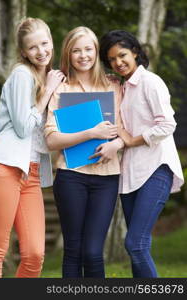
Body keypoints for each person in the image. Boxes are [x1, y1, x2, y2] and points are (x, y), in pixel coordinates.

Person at [99, 30, 184, 278]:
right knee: (139, 246)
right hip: (131, 175)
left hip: (156, 168)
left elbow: (167, 124)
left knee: (134, 243)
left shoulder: (150, 82)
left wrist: (132, 141)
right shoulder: (123, 88)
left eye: (122, 55)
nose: (118, 63)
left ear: (135, 52)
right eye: (112, 59)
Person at [44, 26, 124, 278]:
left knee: (92, 252)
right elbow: (51, 139)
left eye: (88, 49)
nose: (83, 56)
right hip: (70, 177)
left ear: (96, 51)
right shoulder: (61, 89)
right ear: (68, 55)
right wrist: (92, 133)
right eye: (76, 51)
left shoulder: (114, 85)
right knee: (73, 250)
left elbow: (127, 129)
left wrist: (117, 144)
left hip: (106, 178)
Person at [0, 17, 65, 278]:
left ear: (52, 43)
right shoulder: (22, 75)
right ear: (23, 52)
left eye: (45, 44)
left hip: (31, 174)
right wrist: (46, 95)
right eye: (33, 47)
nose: (41, 51)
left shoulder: (49, 78)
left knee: (34, 254)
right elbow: (22, 127)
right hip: (6, 167)